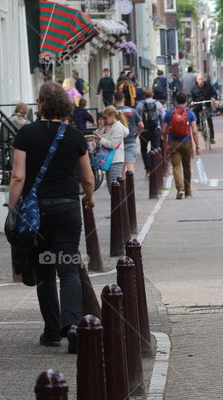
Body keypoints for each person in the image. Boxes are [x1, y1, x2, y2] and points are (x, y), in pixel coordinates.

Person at [10, 81, 95, 351]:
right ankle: (71, 325)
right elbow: (87, 177)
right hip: (68, 208)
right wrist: (89, 198)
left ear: (41, 104)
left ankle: (51, 331)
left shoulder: (26, 134)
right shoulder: (75, 136)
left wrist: (14, 208)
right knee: (68, 268)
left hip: (37, 212)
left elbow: (18, 176)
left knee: (44, 270)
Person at [162, 92, 200, 199]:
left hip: (173, 143)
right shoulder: (190, 113)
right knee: (187, 166)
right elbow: (195, 131)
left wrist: (165, 142)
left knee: (176, 166)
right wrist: (197, 146)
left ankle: (180, 189)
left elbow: (164, 130)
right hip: (186, 142)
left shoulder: (169, 113)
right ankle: (188, 192)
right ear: (186, 101)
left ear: (176, 101)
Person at [94, 106, 128, 186]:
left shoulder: (117, 127)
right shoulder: (112, 126)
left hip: (115, 160)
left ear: (112, 116)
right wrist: (100, 128)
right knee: (112, 186)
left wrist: (100, 139)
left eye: (105, 118)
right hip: (111, 160)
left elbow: (113, 144)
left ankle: (120, 199)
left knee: (113, 187)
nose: (104, 120)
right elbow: (103, 138)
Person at [113, 91, 143, 176]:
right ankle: (130, 186)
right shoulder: (132, 110)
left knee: (120, 166)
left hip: (116, 143)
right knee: (130, 166)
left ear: (114, 100)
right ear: (124, 99)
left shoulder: (112, 112)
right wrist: (137, 134)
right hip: (130, 141)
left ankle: (122, 187)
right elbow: (141, 125)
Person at [137, 88, 164, 175]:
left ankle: (147, 169)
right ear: (152, 94)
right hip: (155, 130)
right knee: (155, 149)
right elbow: (163, 117)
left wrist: (137, 131)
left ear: (143, 95)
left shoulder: (140, 105)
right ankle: (154, 168)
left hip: (144, 131)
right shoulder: (158, 104)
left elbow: (137, 118)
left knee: (143, 150)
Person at [190, 74, 217, 145]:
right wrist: (191, 101)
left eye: (202, 79)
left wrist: (213, 98)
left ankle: (211, 137)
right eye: (199, 79)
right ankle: (198, 124)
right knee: (194, 112)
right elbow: (190, 96)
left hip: (207, 104)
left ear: (204, 79)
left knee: (209, 118)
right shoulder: (193, 88)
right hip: (198, 105)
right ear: (197, 80)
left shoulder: (208, 86)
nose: (201, 81)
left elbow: (214, 93)